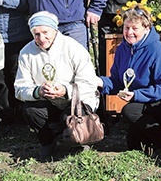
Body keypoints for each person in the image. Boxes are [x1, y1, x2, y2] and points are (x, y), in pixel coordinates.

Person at [15, 11, 100, 159]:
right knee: (30, 110)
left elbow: (90, 83)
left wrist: (66, 91)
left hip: (77, 102)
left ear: (55, 30)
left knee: (69, 117)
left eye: (45, 32)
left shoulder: (74, 48)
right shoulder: (26, 52)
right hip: (49, 102)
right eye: (36, 34)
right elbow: (20, 88)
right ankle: (48, 142)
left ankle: (79, 142)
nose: (41, 38)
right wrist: (38, 91)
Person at [97, 7, 161, 151]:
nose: (129, 33)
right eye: (126, 28)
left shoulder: (158, 50)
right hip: (138, 102)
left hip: (159, 103)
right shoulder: (122, 49)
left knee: (129, 110)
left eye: (134, 28)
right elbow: (118, 81)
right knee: (134, 145)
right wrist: (100, 82)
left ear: (146, 28)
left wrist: (137, 95)